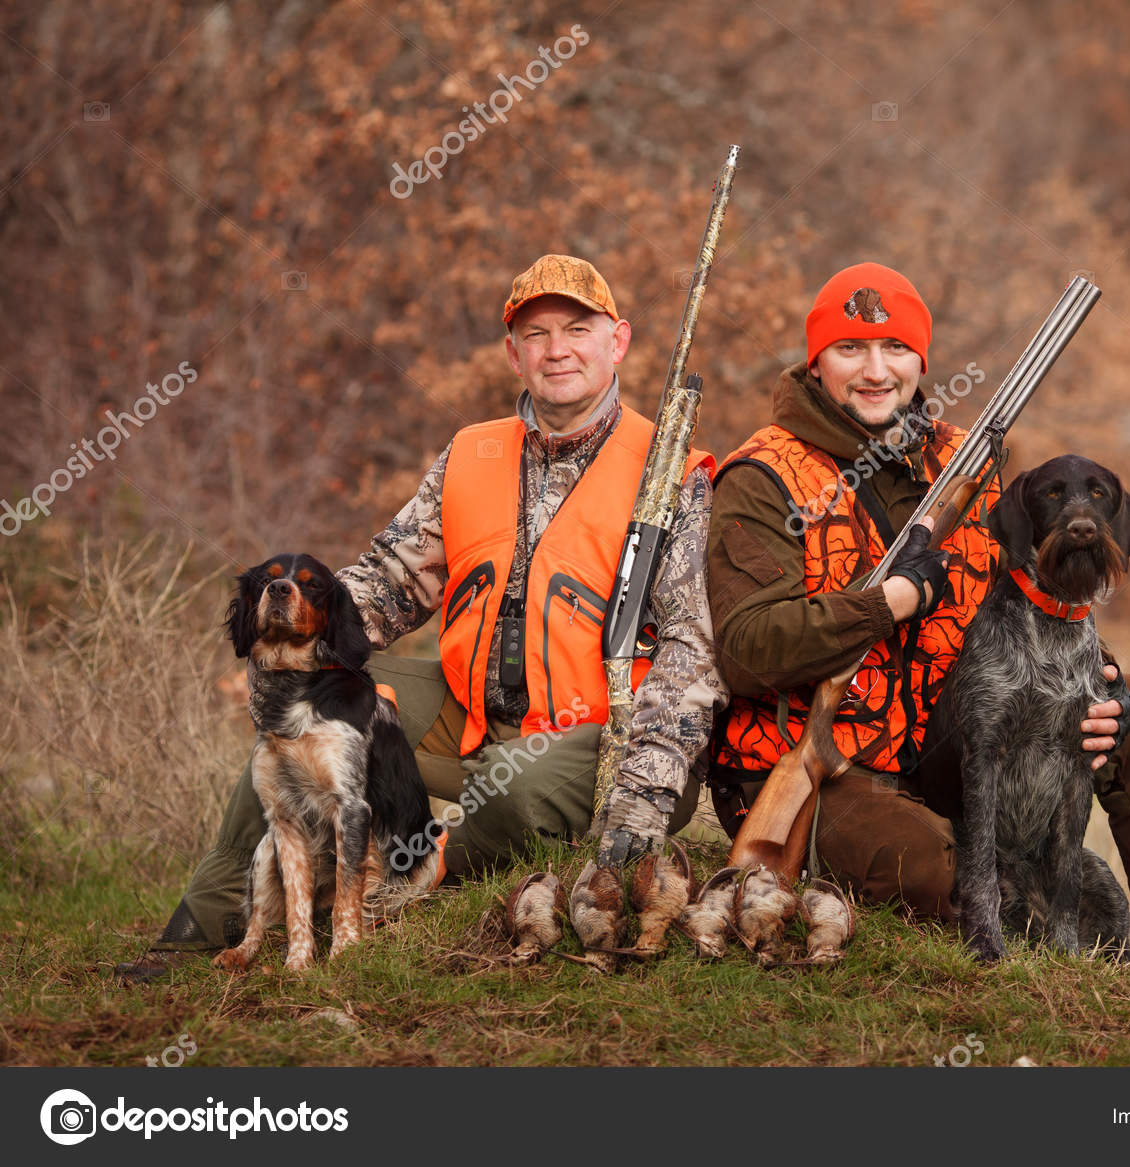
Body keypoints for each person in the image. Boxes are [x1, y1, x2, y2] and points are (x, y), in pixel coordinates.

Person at [117, 255, 726, 981]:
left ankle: (398, 876)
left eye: (577, 329)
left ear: (617, 341)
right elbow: (388, 579)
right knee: (299, 714)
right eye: (536, 334)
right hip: (469, 718)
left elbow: (693, 652)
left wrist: (644, 794)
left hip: (607, 738)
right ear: (513, 353)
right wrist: (296, 633)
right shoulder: (472, 453)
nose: (556, 349)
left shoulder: (671, 472)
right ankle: (212, 917)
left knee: (516, 785)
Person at [706, 261, 1130, 979]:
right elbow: (745, 648)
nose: (875, 370)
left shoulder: (964, 461)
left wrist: (1103, 679)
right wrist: (887, 601)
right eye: (850, 349)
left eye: (895, 349)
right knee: (951, 876)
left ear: (920, 361)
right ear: (815, 360)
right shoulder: (763, 476)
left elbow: (1032, 592)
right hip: (824, 763)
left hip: (944, 743)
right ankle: (1028, 911)